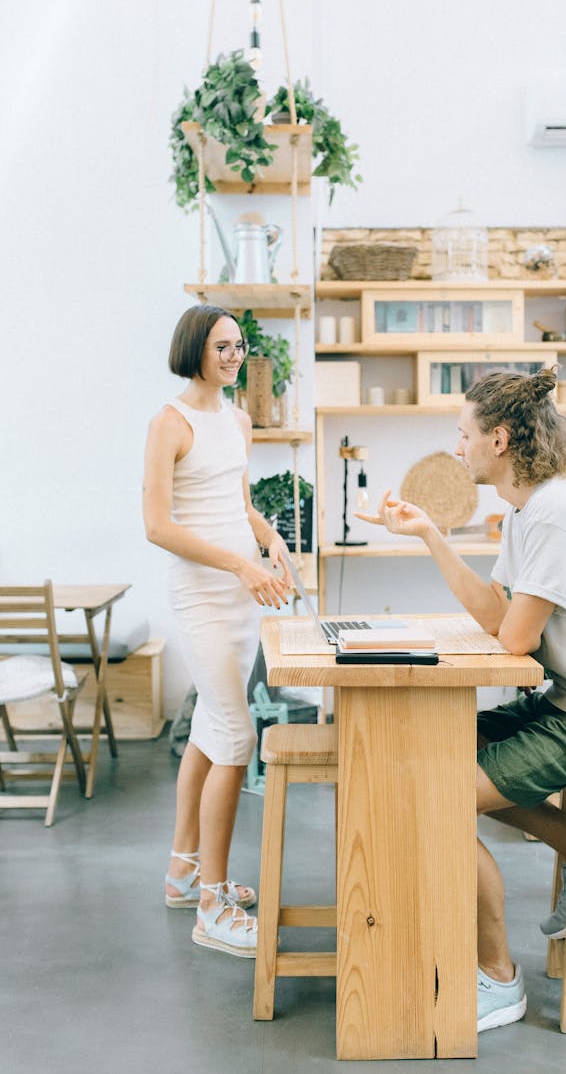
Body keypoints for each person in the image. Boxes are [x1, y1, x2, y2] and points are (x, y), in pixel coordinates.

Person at [357, 367, 566, 1032]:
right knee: (446, 743)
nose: (457, 446)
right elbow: (497, 613)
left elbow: (514, 638)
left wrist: (500, 621)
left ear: (499, 440)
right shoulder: (528, 511)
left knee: (441, 798)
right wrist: (431, 536)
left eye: (463, 433)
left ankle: (499, 976)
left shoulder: (556, 514)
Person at [143, 304, 292, 958]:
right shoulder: (168, 423)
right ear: (193, 350)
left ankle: (183, 872)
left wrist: (270, 537)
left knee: (211, 727)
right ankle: (213, 902)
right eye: (222, 346)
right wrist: (238, 561)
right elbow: (158, 525)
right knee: (235, 738)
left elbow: (235, 500)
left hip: (243, 595)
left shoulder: (238, 419)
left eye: (239, 345)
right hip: (203, 595)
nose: (234, 356)